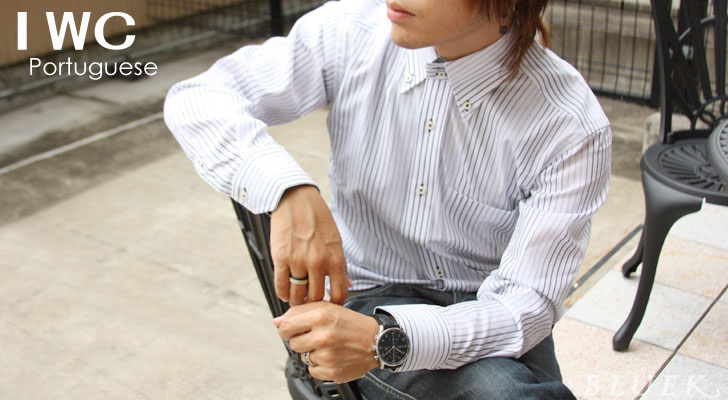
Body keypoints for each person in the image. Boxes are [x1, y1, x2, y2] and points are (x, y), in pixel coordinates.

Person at [164, 0, 611, 398]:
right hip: (368, 293)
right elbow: (198, 99)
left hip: (487, 308)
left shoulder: (566, 123)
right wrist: (286, 188)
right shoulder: (352, 32)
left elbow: (523, 308)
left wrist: (385, 340)